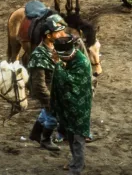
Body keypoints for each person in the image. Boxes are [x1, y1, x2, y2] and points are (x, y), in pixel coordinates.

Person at [50, 35, 93, 175]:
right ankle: (76, 162)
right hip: (68, 107)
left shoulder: (82, 63)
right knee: (70, 135)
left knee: (78, 138)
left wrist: (57, 64)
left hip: (79, 108)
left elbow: (70, 81)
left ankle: (76, 169)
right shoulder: (71, 60)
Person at [28, 15, 67, 151]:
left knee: (46, 113)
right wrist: (50, 101)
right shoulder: (39, 55)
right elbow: (39, 84)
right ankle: (45, 139)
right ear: (48, 36)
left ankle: (35, 133)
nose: (62, 35)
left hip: (57, 90)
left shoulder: (54, 49)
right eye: (58, 32)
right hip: (50, 93)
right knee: (53, 116)